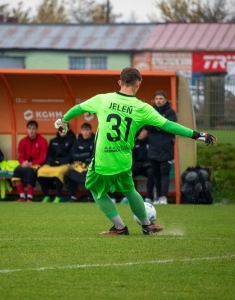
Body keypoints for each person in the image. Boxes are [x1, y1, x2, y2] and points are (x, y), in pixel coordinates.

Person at [54, 67, 216, 235]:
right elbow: (168, 125)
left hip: (103, 160)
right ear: (138, 83)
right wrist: (197, 135)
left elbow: (78, 108)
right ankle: (147, 224)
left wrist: (63, 120)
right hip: (124, 160)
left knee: (95, 190)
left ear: (119, 82)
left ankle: (119, 227)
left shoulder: (103, 99)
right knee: (130, 190)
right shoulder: (142, 108)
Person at [145, 91, 177, 205]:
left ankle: (164, 197)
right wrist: (161, 126)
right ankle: (158, 196)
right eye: (157, 98)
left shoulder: (170, 112)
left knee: (164, 173)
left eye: (161, 98)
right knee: (155, 174)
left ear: (165, 100)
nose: (158, 100)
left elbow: (170, 126)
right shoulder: (151, 112)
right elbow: (146, 124)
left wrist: (156, 126)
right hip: (153, 148)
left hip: (166, 148)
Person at [37, 125, 76, 203]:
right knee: (40, 171)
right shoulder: (53, 141)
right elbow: (49, 155)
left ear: (67, 129)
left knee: (58, 172)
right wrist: (51, 161)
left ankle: (58, 196)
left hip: (66, 164)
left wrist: (61, 161)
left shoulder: (72, 140)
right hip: (53, 164)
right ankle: (46, 196)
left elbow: (72, 156)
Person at [12, 120, 48, 202]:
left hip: (37, 164)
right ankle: (22, 196)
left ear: (37, 129)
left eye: (33, 128)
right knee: (17, 170)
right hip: (25, 163)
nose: (31, 131)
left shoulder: (42, 141)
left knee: (30, 171)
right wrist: (23, 162)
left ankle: (30, 197)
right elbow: (20, 156)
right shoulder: (22, 141)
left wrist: (32, 163)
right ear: (27, 129)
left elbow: (43, 158)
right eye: (29, 128)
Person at [120, 128, 155, 204]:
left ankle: (148, 197)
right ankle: (127, 197)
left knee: (152, 172)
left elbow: (152, 156)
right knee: (125, 172)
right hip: (137, 166)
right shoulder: (133, 141)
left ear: (146, 131)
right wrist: (134, 164)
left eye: (142, 131)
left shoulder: (151, 141)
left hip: (147, 165)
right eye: (138, 131)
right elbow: (130, 156)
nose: (140, 133)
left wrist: (148, 163)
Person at [65, 122, 95, 202]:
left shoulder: (95, 141)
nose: (85, 132)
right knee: (69, 173)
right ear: (81, 131)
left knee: (92, 174)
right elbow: (74, 155)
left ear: (91, 131)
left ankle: (91, 197)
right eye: (83, 130)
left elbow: (94, 155)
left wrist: (84, 156)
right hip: (78, 165)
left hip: (91, 165)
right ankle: (72, 196)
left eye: (87, 130)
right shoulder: (77, 141)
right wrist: (87, 154)